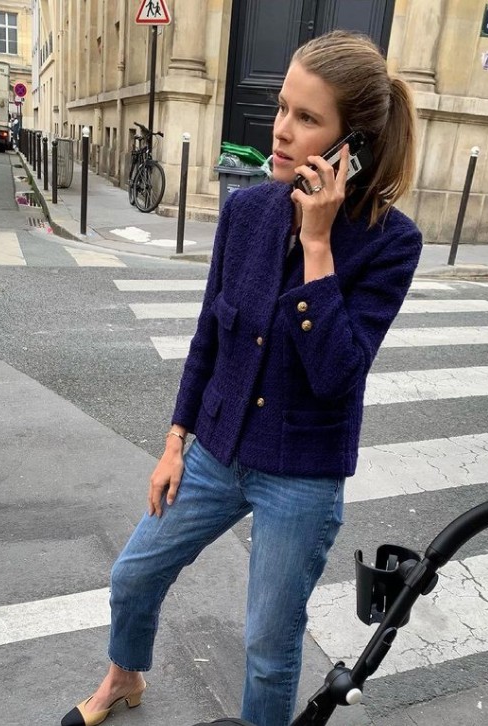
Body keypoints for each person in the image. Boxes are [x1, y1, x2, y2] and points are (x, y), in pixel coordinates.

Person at [62, 30, 422, 726]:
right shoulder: (246, 212)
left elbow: (338, 374)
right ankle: (124, 678)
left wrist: (317, 244)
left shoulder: (389, 241)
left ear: (358, 144)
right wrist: (175, 442)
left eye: (308, 118)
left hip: (302, 472)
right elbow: (209, 337)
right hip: (217, 451)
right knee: (134, 572)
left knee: (267, 642)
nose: (281, 131)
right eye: (283, 108)